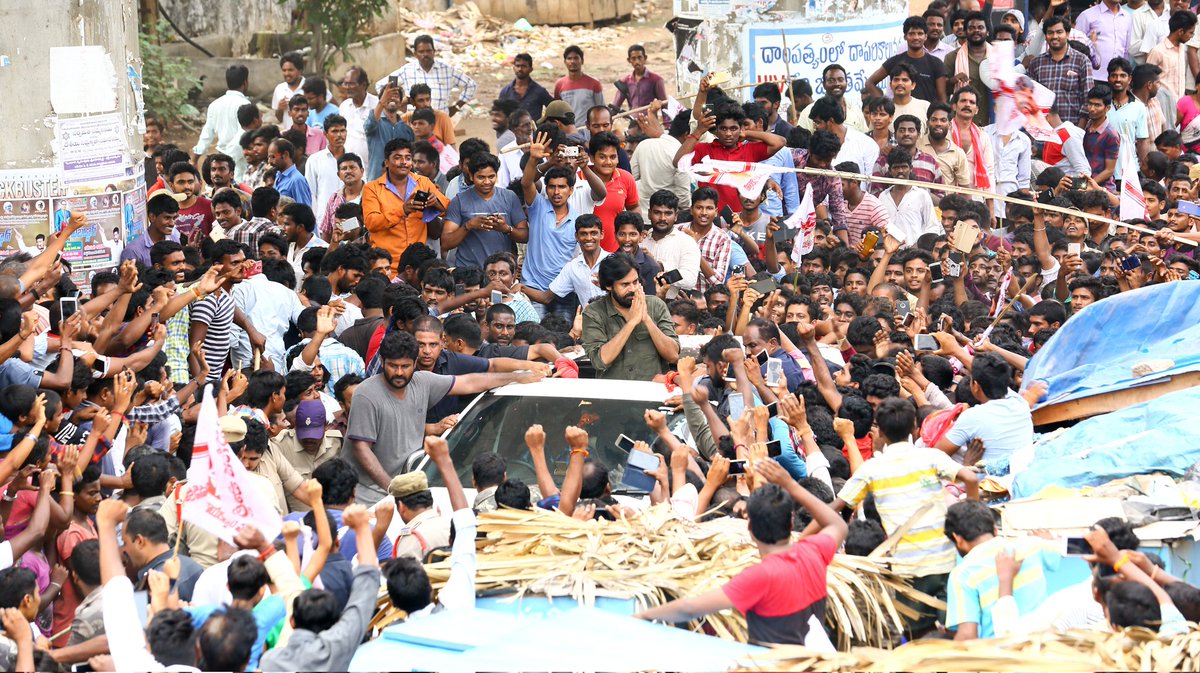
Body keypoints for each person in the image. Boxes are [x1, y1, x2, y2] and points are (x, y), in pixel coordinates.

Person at [636, 457, 847, 649]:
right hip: (815, 661)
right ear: (791, 521)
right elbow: (837, 524)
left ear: (750, 529)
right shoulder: (813, 552)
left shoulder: (760, 577)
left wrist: (644, 615)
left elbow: (690, 608)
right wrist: (790, 485)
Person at [818, 398, 980, 635]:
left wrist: (802, 539)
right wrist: (970, 519)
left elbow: (836, 506)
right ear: (915, 428)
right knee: (957, 630)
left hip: (907, 568)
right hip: (945, 560)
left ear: (880, 432)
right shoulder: (930, 457)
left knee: (917, 635)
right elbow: (972, 479)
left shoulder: (872, 468)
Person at [344, 330, 543, 502]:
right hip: (368, 496)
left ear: (415, 363)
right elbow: (362, 449)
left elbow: (470, 382)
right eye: (392, 366)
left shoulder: (422, 382)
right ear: (381, 361)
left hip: (407, 489)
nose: (398, 372)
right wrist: (391, 488)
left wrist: (516, 377)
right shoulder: (366, 394)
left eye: (405, 366)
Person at [581, 253, 679, 380]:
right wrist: (631, 323)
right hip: (614, 393)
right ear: (609, 286)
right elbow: (601, 361)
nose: (632, 289)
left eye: (635, 282)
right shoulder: (594, 313)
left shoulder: (656, 305)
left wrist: (647, 320)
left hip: (652, 389)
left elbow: (673, 356)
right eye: (625, 284)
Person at [362, 138, 449, 274]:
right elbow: (371, 223)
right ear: (386, 162)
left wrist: (435, 203)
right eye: (397, 158)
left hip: (418, 269)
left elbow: (448, 209)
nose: (404, 162)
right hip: (386, 268)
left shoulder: (423, 182)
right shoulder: (372, 188)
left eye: (408, 158)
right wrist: (402, 210)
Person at [441, 152, 529, 271]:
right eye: (481, 177)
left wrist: (506, 229)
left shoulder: (509, 197)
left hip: (501, 272)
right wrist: (469, 225)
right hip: (470, 273)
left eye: (491, 177)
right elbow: (446, 243)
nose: (487, 182)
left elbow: (525, 235)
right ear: (471, 176)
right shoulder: (459, 201)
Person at [379, 35, 477, 115]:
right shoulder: (406, 71)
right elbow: (380, 85)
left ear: (434, 52)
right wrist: (398, 104)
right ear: (415, 54)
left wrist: (456, 107)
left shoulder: (447, 71)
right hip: (415, 124)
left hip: (441, 122)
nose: (425, 54)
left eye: (428, 51)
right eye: (421, 51)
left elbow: (471, 85)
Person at [1027, 16, 1095, 123]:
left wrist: (1079, 131)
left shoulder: (1082, 61)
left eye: (1059, 32)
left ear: (1067, 34)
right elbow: (1030, 99)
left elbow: (1088, 99)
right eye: (1050, 33)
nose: (1054, 36)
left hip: (1072, 129)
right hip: (1044, 131)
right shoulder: (1036, 63)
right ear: (1045, 36)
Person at [866, 16, 948, 103]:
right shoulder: (895, 61)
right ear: (905, 36)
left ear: (925, 37)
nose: (916, 37)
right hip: (899, 115)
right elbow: (870, 83)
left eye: (920, 33)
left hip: (926, 115)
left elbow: (942, 98)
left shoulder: (936, 63)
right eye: (912, 34)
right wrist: (884, 104)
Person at [194, 65, 252, 178]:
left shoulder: (215, 104)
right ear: (245, 82)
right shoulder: (246, 106)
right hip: (239, 161)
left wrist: (195, 158)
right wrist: (229, 160)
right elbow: (243, 135)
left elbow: (207, 133)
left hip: (220, 160)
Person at [942, 12, 993, 125]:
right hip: (963, 121)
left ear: (987, 32)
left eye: (980, 27)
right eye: (971, 28)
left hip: (992, 120)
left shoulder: (998, 57)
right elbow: (944, 90)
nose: (976, 31)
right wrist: (953, 80)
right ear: (965, 32)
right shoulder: (952, 57)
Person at [364, 79, 415, 183]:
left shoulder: (407, 129)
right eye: (388, 95)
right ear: (382, 99)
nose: (392, 98)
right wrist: (382, 100)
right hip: (376, 182)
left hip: (401, 185)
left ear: (401, 102)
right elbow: (369, 125)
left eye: (396, 96)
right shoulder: (375, 122)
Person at [306, 115, 349, 226]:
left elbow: (361, 190)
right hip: (323, 221)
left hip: (350, 221)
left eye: (342, 130)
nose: (339, 135)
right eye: (334, 131)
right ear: (325, 134)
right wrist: (315, 221)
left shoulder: (355, 159)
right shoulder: (314, 160)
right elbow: (310, 193)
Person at [1075, 0, 1134, 79]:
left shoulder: (1127, 17)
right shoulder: (1087, 15)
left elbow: (1127, 50)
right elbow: (1076, 46)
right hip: (1093, 76)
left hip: (1118, 79)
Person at [337, 65, 378, 170]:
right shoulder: (344, 106)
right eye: (346, 84)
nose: (347, 87)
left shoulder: (376, 105)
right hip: (348, 168)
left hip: (372, 168)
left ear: (363, 85)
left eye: (351, 84)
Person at [554, 45, 605, 129]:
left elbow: (601, 109)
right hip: (568, 132)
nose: (572, 61)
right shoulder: (559, 85)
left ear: (582, 61)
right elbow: (557, 112)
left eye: (576, 58)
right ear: (565, 62)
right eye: (569, 58)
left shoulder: (594, 83)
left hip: (589, 131)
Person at [612, 44, 667, 111]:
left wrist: (666, 121)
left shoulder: (656, 79)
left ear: (645, 58)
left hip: (649, 119)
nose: (637, 61)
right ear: (629, 60)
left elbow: (664, 105)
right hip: (632, 119)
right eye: (633, 58)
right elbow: (615, 106)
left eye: (639, 57)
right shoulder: (625, 81)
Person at [267, 138, 312, 206]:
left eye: (273, 157)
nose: (269, 161)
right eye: (268, 157)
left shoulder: (296, 180)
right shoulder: (278, 176)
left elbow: (304, 210)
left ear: (285, 155)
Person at [272, 52, 306, 131]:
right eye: (284, 70)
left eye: (290, 70)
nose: (287, 73)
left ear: (300, 71)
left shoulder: (310, 85)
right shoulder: (279, 89)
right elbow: (279, 119)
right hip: (289, 137)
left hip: (309, 136)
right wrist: (280, 108)